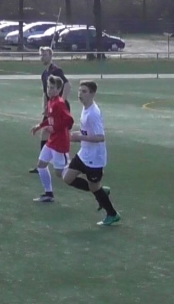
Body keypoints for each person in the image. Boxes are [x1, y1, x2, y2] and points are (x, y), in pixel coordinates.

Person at [62, 80, 121, 226]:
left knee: (95, 187)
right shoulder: (86, 109)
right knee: (67, 178)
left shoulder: (93, 113)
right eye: (79, 91)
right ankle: (100, 191)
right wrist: (74, 136)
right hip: (84, 154)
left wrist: (80, 137)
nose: (80, 94)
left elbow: (100, 137)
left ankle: (112, 214)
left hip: (94, 159)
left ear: (92, 94)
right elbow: (87, 132)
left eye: (84, 91)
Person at [31, 75, 74, 203]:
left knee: (61, 173)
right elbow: (50, 119)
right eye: (48, 87)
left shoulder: (59, 103)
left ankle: (95, 188)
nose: (49, 90)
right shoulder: (51, 101)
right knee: (41, 165)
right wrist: (39, 126)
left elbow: (69, 120)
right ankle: (48, 194)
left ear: (59, 89)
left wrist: (54, 128)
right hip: (51, 142)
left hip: (60, 142)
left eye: (52, 88)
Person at [31, 46, 70, 173]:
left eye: (45, 55)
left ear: (51, 56)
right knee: (45, 133)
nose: (42, 57)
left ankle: (67, 163)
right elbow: (45, 93)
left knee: (60, 134)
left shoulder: (56, 71)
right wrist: (45, 107)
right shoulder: (44, 74)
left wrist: (61, 101)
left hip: (58, 108)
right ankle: (43, 164)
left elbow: (67, 85)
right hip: (51, 108)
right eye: (41, 55)